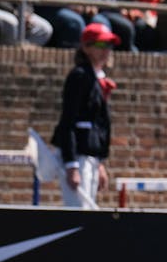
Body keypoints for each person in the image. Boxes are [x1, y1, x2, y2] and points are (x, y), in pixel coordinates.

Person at [51, 22, 119, 209]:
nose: (105, 50)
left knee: (89, 211)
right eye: (100, 45)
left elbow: (99, 124)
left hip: (90, 156)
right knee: (79, 211)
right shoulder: (80, 76)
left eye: (108, 45)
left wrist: (100, 163)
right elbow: (68, 121)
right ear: (86, 47)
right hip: (79, 154)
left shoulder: (97, 77)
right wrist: (72, 164)